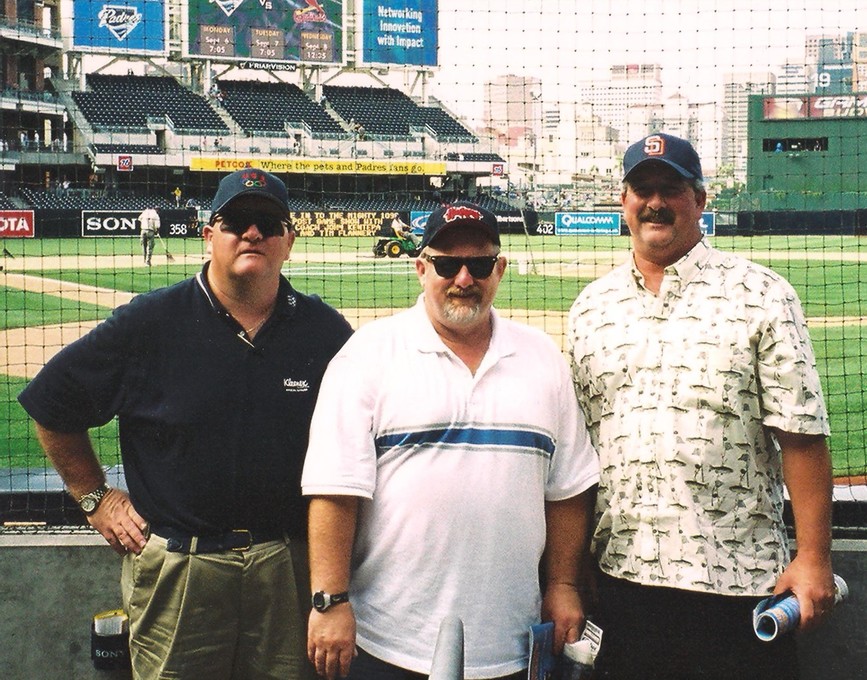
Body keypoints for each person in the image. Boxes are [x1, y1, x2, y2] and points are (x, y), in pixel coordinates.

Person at [18, 168, 353, 680]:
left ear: (288, 240)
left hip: (287, 567)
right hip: (179, 569)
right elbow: (52, 404)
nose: (252, 233)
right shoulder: (150, 321)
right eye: (236, 221)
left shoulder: (324, 331)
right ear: (208, 235)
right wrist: (95, 497)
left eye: (268, 223)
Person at [567, 133, 835, 680]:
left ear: (700, 200)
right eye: (643, 189)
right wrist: (568, 575)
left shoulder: (762, 294)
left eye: (671, 189)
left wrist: (813, 558)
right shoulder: (591, 308)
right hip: (622, 581)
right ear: (623, 201)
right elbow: (579, 457)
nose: (656, 202)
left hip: (739, 582)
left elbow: (803, 436)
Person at [302, 201, 599, 680]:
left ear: (499, 269)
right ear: (421, 269)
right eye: (446, 265)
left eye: (479, 264)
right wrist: (330, 601)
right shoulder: (368, 354)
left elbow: (567, 490)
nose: (464, 278)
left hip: (511, 642)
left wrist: (563, 584)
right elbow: (335, 489)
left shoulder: (542, 357)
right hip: (387, 640)